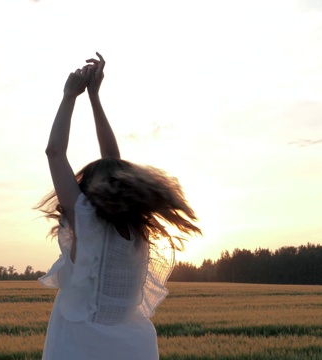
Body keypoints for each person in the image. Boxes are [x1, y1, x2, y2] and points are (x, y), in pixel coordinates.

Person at [37, 53, 202, 360]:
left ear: (90, 190)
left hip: (78, 347)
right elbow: (113, 161)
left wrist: (69, 96)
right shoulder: (139, 228)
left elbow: (54, 152)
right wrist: (96, 98)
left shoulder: (85, 221)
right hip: (131, 347)